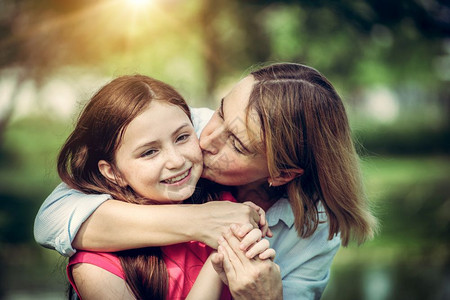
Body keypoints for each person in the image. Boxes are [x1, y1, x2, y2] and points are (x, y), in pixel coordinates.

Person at [35, 63, 378, 299]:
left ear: (282, 174)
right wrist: (202, 221)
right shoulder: (185, 130)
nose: (207, 140)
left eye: (238, 145)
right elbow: (52, 219)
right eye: (221, 110)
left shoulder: (314, 229)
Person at [52, 74, 275, 300]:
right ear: (113, 172)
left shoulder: (225, 202)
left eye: (182, 137)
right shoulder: (96, 266)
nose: (176, 161)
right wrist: (218, 260)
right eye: (149, 152)